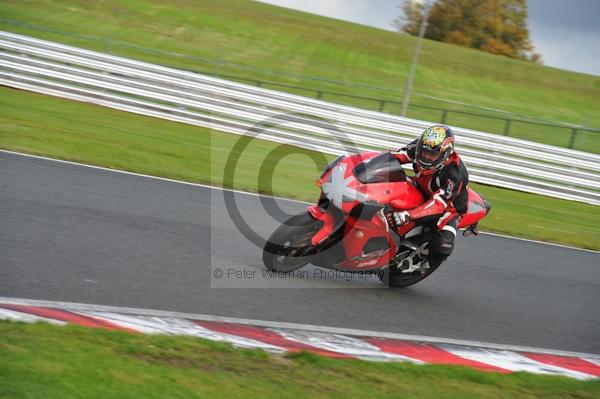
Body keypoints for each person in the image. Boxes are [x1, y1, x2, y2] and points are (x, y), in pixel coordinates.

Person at [387, 125, 469, 268]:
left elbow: (438, 204)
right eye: (424, 152)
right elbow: (395, 156)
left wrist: (408, 215)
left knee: (442, 246)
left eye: (432, 155)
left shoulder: (453, 175)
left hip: (448, 207)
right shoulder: (421, 147)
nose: (426, 157)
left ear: (445, 154)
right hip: (421, 186)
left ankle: (421, 258)